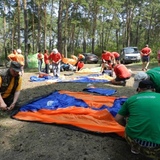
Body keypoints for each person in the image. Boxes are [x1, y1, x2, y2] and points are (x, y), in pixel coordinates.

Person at [115, 80, 160, 159]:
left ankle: (135, 148)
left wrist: (126, 125)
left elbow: (118, 118)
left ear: (139, 89)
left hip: (137, 141)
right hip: (158, 147)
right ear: (154, 90)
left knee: (129, 116)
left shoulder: (132, 99)